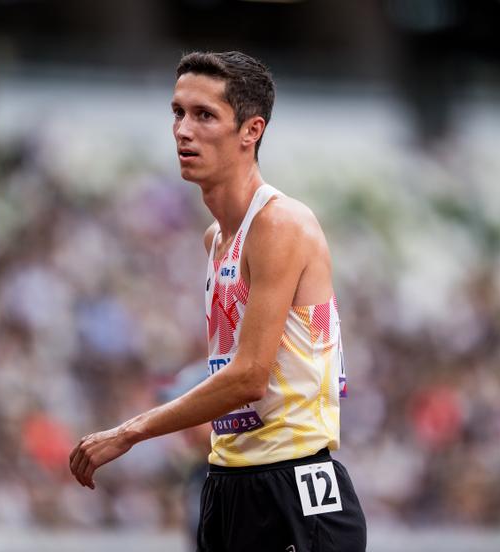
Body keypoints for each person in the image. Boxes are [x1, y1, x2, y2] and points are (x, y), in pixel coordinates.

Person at [69, 50, 367, 551]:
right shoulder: (216, 239)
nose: (184, 130)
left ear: (251, 130)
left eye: (204, 115)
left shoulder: (280, 224)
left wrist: (130, 432)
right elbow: (234, 367)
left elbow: (248, 376)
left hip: (294, 486)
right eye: (177, 113)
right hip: (227, 483)